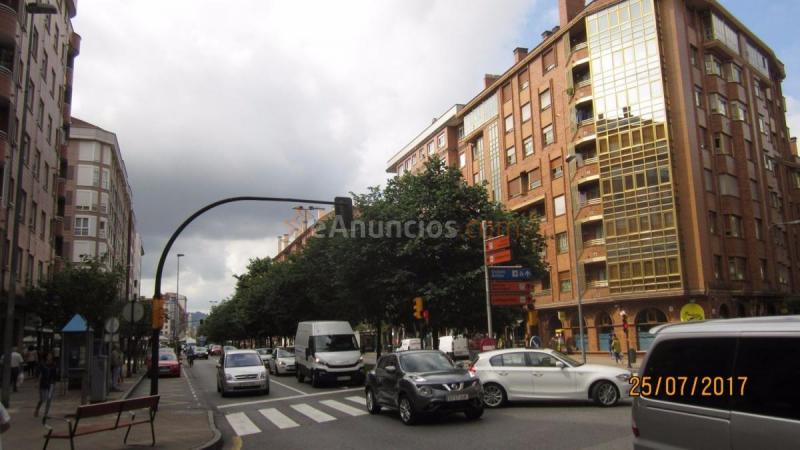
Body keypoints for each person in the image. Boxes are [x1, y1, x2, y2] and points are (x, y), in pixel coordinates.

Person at [34, 353, 58, 422]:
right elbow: (38, 374)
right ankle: (37, 409)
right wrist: (37, 382)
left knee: (49, 399)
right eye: (48, 356)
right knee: (43, 399)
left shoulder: (53, 365)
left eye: (51, 356)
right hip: (43, 384)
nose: (50, 357)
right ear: (46, 357)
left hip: (51, 384)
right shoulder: (42, 365)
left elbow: (55, 375)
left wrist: (54, 383)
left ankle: (46, 414)